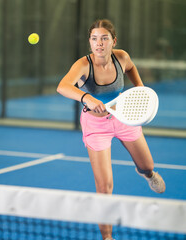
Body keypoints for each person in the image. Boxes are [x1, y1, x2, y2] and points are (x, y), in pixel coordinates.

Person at [56, 19, 165, 240]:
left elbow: (132, 67)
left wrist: (140, 87)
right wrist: (86, 98)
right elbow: (63, 86)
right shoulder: (83, 65)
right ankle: (107, 237)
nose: (99, 43)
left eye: (104, 38)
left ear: (113, 41)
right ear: (90, 42)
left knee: (147, 166)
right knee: (104, 187)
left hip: (124, 118)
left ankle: (147, 174)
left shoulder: (122, 57)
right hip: (95, 125)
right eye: (94, 38)